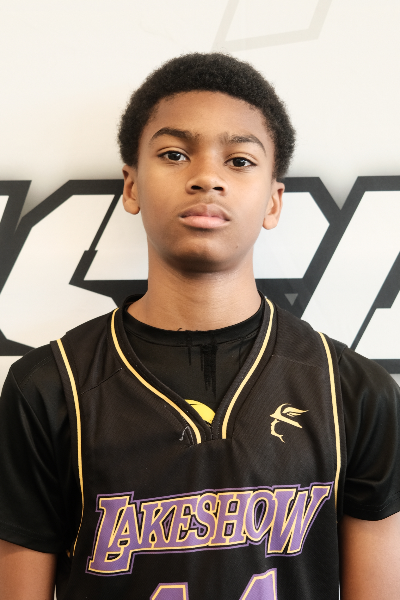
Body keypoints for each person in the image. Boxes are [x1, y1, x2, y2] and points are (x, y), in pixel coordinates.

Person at [0, 53, 399, 600]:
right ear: (132, 186)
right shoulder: (48, 387)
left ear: (273, 201)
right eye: (174, 154)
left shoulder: (354, 392)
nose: (207, 177)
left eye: (239, 160)